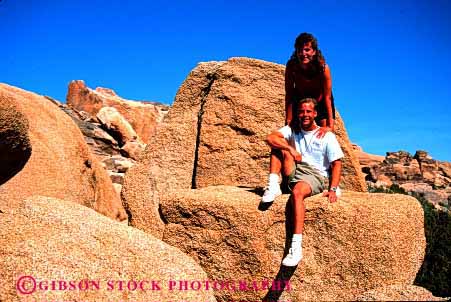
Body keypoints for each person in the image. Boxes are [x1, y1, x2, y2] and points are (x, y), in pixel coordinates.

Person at [263, 98, 343, 266]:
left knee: (298, 193)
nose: (304, 115)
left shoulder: (326, 135)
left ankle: (296, 246)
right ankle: (273, 185)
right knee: (277, 144)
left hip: (314, 175)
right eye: (301, 111)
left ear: (314, 114)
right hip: (295, 169)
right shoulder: (293, 129)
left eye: (308, 112)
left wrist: (333, 188)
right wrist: (290, 148)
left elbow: (336, 163)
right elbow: (270, 138)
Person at [285, 32, 336, 136]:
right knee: (293, 132)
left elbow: (328, 97)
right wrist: (288, 120)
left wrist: (330, 126)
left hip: (320, 100)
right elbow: (289, 94)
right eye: (300, 50)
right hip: (300, 100)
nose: (303, 53)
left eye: (307, 50)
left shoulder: (323, 68)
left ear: (314, 51)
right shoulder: (292, 67)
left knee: (324, 134)